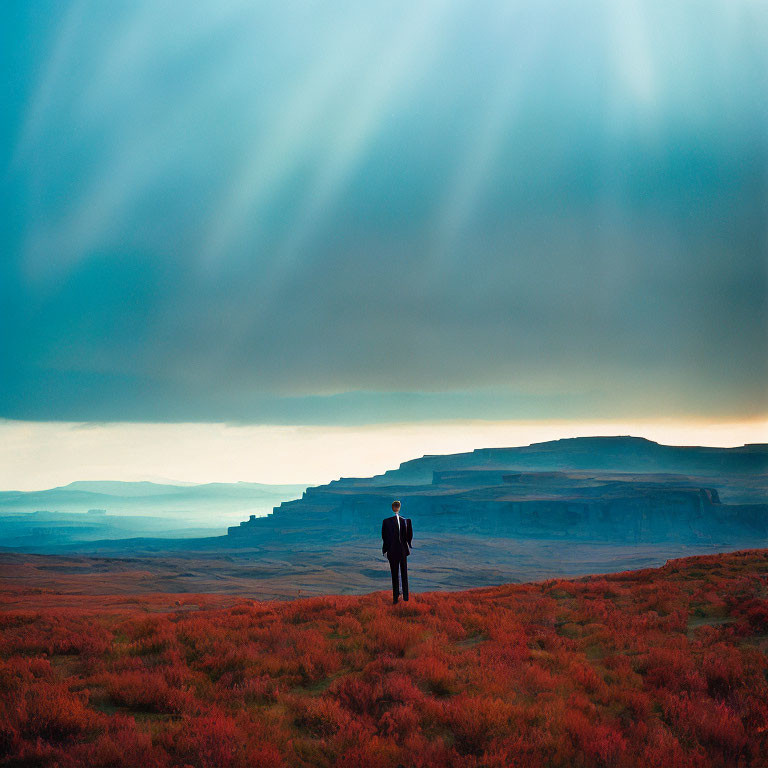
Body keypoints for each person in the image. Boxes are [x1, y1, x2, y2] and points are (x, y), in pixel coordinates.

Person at [381, 500, 413, 604]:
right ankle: (406, 597)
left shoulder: (386, 521)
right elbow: (409, 536)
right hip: (403, 551)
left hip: (392, 551)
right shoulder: (406, 521)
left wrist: (385, 550)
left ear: (392, 508)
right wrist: (408, 546)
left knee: (394, 575)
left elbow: (384, 537)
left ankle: (395, 599)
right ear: (399, 507)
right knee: (404, 573)